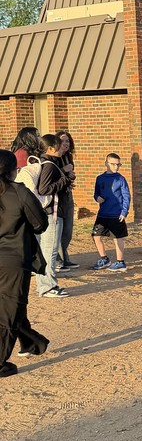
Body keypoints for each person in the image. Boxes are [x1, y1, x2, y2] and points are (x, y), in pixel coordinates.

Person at [0, 150, 49, 376]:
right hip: (13, 259)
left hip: (10, 259)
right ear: (12, 170)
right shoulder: (18, 191)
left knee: (11, 305)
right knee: (10, 308)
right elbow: (40, 223)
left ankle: (31, 342)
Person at [35, 135, 74, 298]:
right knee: (49, 251)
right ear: (50, 148)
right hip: (52, 213)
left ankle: (46, 284)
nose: (61, 148)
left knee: (46, 251)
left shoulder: (44, 162)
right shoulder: (50, 165)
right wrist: (65, 180)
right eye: (58, 146)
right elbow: (44, 189)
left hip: (48, 212)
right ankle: (47, 286)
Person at [91, 153, 131, 271]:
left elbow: (126, 196)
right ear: (106, 164)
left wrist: (124, 212)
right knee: (96, 236)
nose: (116, 167)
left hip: (116, 214)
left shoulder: (121, 179)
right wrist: (97, 198)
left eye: (118, 165)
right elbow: (96, 193)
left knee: (117, 237)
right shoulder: (100, 178)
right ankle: (104, 259)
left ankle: (120, 262)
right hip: (103, 213)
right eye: (113, 164)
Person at [55, 131, 78, 271]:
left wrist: (71, 178)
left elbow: (68, 176)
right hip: (57, 198)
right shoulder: (54, 158)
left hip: (68, 195)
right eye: (63, 141)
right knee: (58, 229)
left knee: (68, 230)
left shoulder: (68, 157)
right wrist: (64, 170)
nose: (66, 144)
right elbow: (50, 175)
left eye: (68, 141)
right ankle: (58, 260)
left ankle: (65, 258)